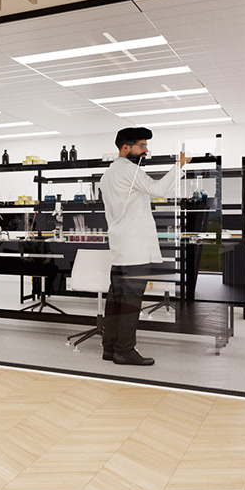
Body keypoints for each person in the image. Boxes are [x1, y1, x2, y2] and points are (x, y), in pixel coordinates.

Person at [98, 127, 188, 366]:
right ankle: (125, 351)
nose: (146, 150)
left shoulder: (107, 175)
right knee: (130, 303)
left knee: (116, 301)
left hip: (119, 248)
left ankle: (110, 348)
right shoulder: (129, 170)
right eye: (142, 146)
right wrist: (179, 166)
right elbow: (158, 190)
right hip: (134, 249)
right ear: (125, 147)